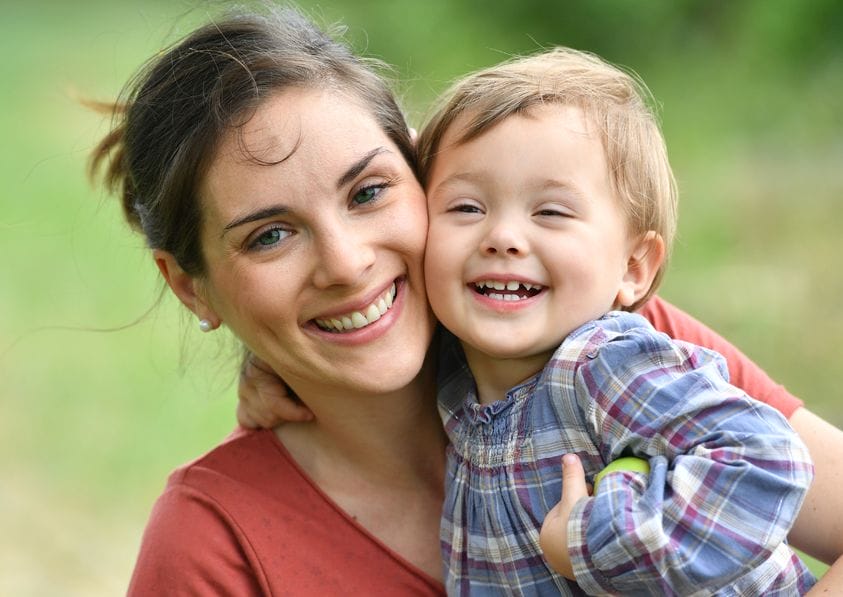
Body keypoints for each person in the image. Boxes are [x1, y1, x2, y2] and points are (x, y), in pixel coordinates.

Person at [89, 6, 843, 595]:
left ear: (422, 174)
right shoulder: (213, 542)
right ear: (191, 285)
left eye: (369, 191)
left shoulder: (605, 341)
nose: (348, 264)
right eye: (269, 237)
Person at [415, 47, 813, 594]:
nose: (502, 236)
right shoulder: (451, 370)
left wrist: (591, 547)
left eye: (551, 211)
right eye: (466, 207)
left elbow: (763, 460)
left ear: (632, 267)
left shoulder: (603, 362)